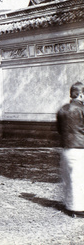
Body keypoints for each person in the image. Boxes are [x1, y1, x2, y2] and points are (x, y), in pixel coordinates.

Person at [56, 81, 84, 217]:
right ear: (81, 95)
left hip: (66, 148)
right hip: (81, 147)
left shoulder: (62, 110)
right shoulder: (82, 110)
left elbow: (59, 130)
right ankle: (78, 209)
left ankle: (70, 205)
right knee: (80, 179)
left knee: (69, 178)